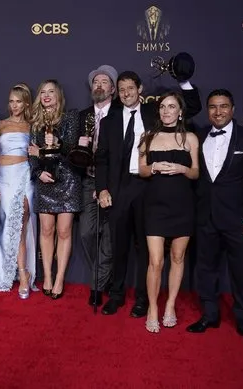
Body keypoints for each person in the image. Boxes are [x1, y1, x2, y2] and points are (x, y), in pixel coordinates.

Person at [95, 71, 201, 317]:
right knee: (118, 245)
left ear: (140, 88)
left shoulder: (155, 111)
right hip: (120, 188)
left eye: (131, 88)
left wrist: (184, 80)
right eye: (121, 89)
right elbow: (101, 159)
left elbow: (190, 107)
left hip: (149, 187)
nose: (126, 93)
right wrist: (102, 189)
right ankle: (117, 295)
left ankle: (143, 299)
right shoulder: (109, 120)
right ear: (116, 92)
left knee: (147, 248)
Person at [186, 89, 243, 349]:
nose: (218, 112)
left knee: (240, 272)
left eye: (223, 107)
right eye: (213, 107)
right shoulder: (198, 137)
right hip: (205, 218)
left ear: (233, 109)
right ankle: (209, 315)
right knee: (206, 270)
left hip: (238, 219)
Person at [137, 91, 199, 333]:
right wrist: (153, 167)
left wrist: (182, 168)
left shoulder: (191, 138)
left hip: (183, 205)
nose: (166, 111)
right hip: (154, 206)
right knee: (155, 261)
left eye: (171, 107)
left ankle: (170, 305)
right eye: (162, 106)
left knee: (178, 257)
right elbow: (141, 170)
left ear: (180, 111)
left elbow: (196, 173)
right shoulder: (148, 137)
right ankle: (153, 307)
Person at [28, 79, 80, 299]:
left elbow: (74, 149)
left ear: (58, 96)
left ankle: (59, 279)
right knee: (46, 230)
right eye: (43, 92)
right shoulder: (35, 124)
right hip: (45, 180)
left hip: (67, 180)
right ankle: (47, 276)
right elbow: (30, 154)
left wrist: (57, 141)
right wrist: (37, 172)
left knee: (64, 231)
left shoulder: (71, 117)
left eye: (51, 91)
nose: (46, 95)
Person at [77, 65, 117, 307]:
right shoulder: (82, 116)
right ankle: (103, 277)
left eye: (104, 82)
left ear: (112, 89)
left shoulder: (121, 115)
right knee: (87, 232)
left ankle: (97, 286)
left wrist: (106, 185)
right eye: (96, 82)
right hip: (87, 179)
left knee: (110, 237)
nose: (99, 85)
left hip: (113, 183)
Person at [0, 83, 37, 299]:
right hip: (5, 178)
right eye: (11, 101)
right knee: (9, 223)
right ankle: (13, 271)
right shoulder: (0, 124)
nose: (14, 105)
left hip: (24, 175)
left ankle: (24, 275)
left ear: (26, 103)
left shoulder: (31, 126)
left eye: (18, 101)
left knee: (22, 223)